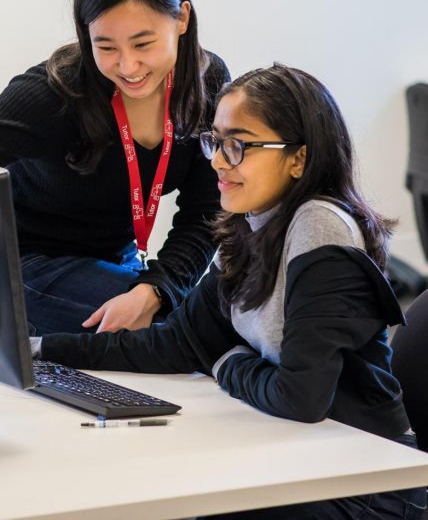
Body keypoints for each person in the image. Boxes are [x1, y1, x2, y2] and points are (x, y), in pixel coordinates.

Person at [36, 64, 427, 519]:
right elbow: (175, 343)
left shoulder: (320, 230)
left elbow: (300, 398)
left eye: (239, 145)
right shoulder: (250, 225)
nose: (219, 161)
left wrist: (228, 363)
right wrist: (42, 351)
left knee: (181, 500)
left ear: (298, 158)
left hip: (365, 489)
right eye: (216, 142)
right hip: (303, 458)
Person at [0, 0, 229, 335]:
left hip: (115, 258)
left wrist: (158, 288)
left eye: (143, 43)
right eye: (105, 47)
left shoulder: (207, 82)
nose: (128, 66)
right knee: (182, 330)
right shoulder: (52, 91)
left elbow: (206, 211)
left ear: (181, 18)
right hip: (22, 263)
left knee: (201, 312)